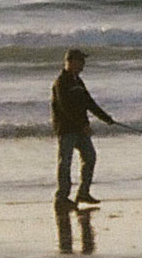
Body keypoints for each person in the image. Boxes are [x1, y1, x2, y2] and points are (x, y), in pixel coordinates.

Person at [50, 48, 116, 206]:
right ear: (70, 62)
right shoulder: (61, 82)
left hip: (81, 129)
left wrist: (106, 118)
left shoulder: (78, 81)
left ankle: (83, 193)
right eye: (80, 62)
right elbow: (65, 108)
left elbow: (89, 103)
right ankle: (61, 197)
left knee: (90, 157)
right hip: (66, 129)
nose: (83, 65)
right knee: (65, 163)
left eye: (83, 62)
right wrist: (82, 125)